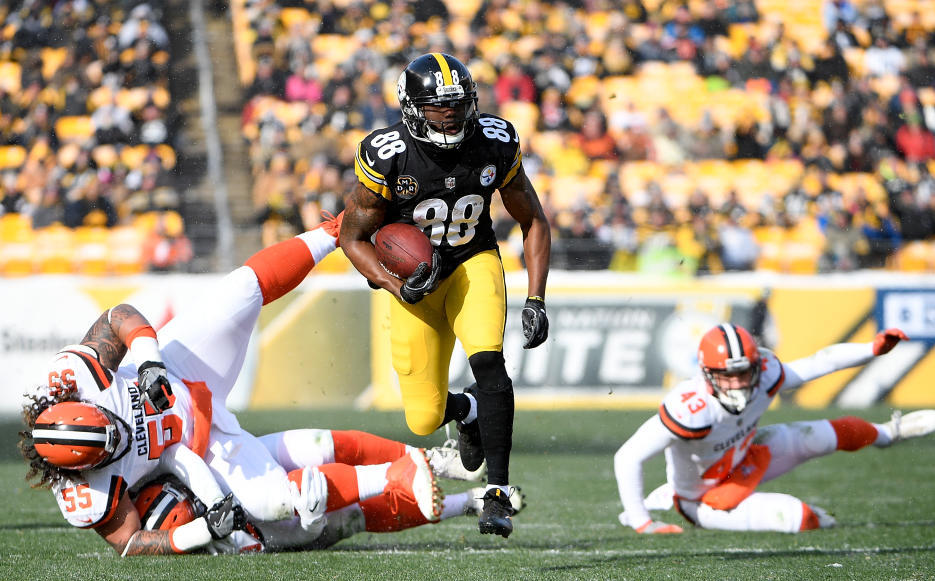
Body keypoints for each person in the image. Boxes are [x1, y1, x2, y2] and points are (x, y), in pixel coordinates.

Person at [18, 213, 447, 555]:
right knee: (271, 501)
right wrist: (196, 534)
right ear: (84, 469)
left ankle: (337, 229)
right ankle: (393, 474)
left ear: (87, 405)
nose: (120, 433)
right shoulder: (85, 494)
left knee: (241, 290)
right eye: (111, 445)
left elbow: (118, 316)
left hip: (176, 368)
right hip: (199, 447)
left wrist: (148, 361)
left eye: (108, 422)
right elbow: (130, 542)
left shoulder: (75, 377)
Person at [339, 53, 551, 538]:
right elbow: (352, 238)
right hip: (416, 287)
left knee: (490, 364)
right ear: (412, 107)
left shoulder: (494, 141)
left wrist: (536, 298)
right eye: (437, 107)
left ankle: (497, 492)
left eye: (456, 105)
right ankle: (468, 412)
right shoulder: (387, 152)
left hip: (471, 262)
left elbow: (532, 218)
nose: (450, 115)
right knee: (424, 417)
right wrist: (396, 284)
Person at [614, 323, 935, 534]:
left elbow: (819, 362)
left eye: (745, 372)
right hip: (705, 496)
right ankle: (669, 497)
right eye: (728, 375)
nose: (739, 383)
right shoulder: (691, 408)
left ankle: (888, 434)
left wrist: (871, 350)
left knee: (825, 433)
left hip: (746, 455)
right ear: (707, 374)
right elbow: (628, 457)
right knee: (800, 517)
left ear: (757, 366)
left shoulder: (767, 374)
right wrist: (642, 521)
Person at [130, 430, 524, 554]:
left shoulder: (168, 467)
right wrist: (311, 522)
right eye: (197, 511)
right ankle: (468, 503)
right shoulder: (223, 541)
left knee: (321, 443)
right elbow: (286, 540)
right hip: (288, 523)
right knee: (342, 512)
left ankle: (432, 460)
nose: (202, 506)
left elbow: (176, 453)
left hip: (236, 460)